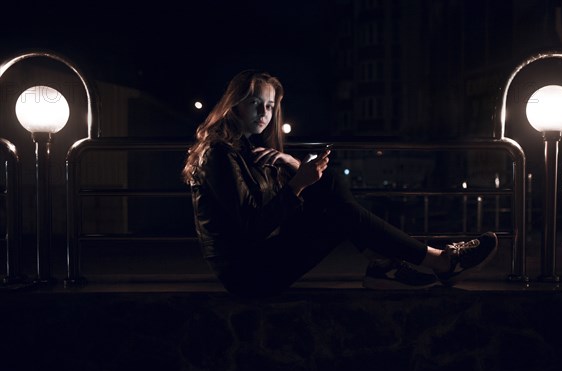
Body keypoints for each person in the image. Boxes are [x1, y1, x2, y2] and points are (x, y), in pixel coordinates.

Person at [182, 70, 498, 298]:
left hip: (260, 256)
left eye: (269, 106)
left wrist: (293, 167)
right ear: (235, 103)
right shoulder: (219, 152)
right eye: (255, 103)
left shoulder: (247, 149)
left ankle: (392, 266)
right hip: (248, 274)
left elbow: (274, 210)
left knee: (330, 185)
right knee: (334, 200)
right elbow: (252, 225)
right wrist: (297, 185)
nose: (264, 113)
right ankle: (432, 261)